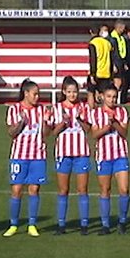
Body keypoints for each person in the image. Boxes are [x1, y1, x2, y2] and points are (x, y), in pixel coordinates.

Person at [4, 79, 53, 237]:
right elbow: (11, 133)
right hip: (19, 155)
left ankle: (32, 224)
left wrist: (46, 121)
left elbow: (46, 134)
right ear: (26, 93)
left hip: (37, 155)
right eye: (35, 94)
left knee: (34, 189)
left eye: (38, 94)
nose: (37, 97)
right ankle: (13, 224)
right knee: (17, 190)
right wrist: (21, 122)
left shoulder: (42, 110)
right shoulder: (14, 109)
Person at [51, 76, 93, 235]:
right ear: (64, 92)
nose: (72, 95)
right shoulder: (57, 108)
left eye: (75, 92)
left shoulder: (84, 108)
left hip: (81, 152)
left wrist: (79, 119)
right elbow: (53, 132)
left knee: (82, 189)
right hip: (63, 153)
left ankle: (84, 224)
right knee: (63, 190)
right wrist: (63, 122)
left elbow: (88, 129)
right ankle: (61, 224)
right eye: (69, 92)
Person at [90, 82, 130, 235]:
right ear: (102, 97)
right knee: (105, 190)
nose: (112, 100)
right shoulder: (96, 114)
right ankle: (105, 224)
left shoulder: (122, 112)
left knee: (124, 189)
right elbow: (94, 134)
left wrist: (115, 123)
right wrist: (106, 128)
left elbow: (124, 132)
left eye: (114, 97)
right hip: (104, 156)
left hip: (120, 155)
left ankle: (122, 221)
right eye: (109, 97)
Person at [87, 23, 113, 109]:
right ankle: (104, 112)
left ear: (91, 32)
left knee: (91, 92)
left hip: (97, 72)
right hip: (106, 72)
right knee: (103, 94)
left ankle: (91, 112)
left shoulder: (93, 43)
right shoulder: (107, 43)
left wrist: (92, 74)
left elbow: (93, 60)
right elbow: (111, 59)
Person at [109, 19, 128, 93]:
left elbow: (122, 51)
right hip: (115, 62)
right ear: (118, 27)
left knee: (120, 81)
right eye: (122, 28)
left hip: (120, 61)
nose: (123, 30)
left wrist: (124, 63)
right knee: (116, 80)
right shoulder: (112, 38)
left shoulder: (121, 37)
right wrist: (113, 64)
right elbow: (112, 52)